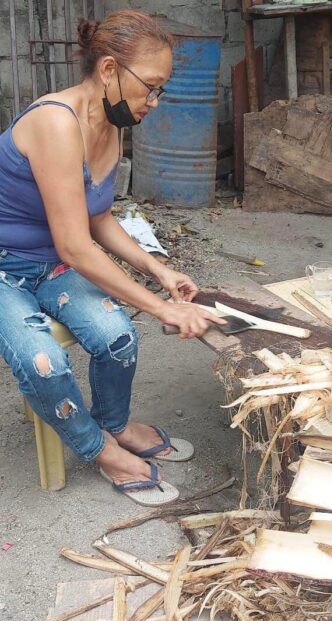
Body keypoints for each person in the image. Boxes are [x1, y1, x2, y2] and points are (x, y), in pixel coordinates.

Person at [0, 10, 226, 506]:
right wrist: (164, 308)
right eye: (149, 86)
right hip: (4, 269)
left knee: (117, 335)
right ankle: (99, 447)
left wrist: (158, 270)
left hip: (50, 266)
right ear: (107, 71)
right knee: (43, 363)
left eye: (160, 89)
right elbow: (75, 246)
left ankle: (116, 424)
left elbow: (97, 217)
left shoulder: (114, 119)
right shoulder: (55, 123)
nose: (154, 101)